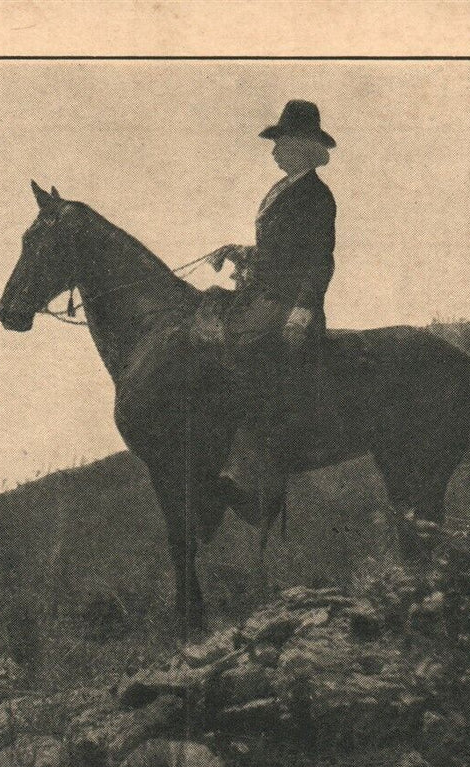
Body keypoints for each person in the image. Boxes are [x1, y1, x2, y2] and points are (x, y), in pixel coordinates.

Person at [206, 99, 338, 524]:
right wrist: (240, 251)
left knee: (244, 349)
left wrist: (304, 309)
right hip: (266, 294)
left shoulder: (316, 195)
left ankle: (259, 469)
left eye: (280, 142)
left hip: (288, 303)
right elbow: (277, 250)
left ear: (301, 147)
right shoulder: (283, 191)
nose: (274, 150)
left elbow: (319, 258)